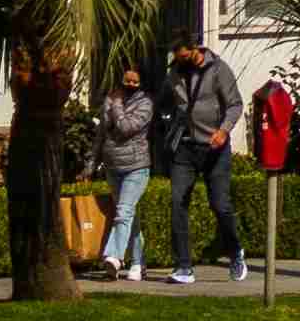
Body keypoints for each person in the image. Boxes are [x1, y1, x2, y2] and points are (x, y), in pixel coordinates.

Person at [163, 36, 249, 283]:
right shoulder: (175, 74)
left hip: (215, 148)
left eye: (185, 58)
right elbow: (164, 102)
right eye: (177, 60)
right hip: (185, 148)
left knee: (220, 204)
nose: (181, 63)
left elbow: (235, 104)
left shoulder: (219, 69)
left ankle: (235, 254)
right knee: (177, 201)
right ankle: (183, 267)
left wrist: (223, 131)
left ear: (196, 50)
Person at [94, 64, 157, 282]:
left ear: (141, 84)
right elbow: (102, 131)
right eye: (126, 80)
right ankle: (138, 263)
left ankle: (113, 257)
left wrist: (117, 104)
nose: (128, 85)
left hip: (136, 167)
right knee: (129, 216)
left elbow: (125, 128)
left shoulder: (146, 104)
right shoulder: (111, 99)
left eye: (134, 82)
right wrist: (91, 162)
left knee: (123, 212)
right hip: (113, 166)